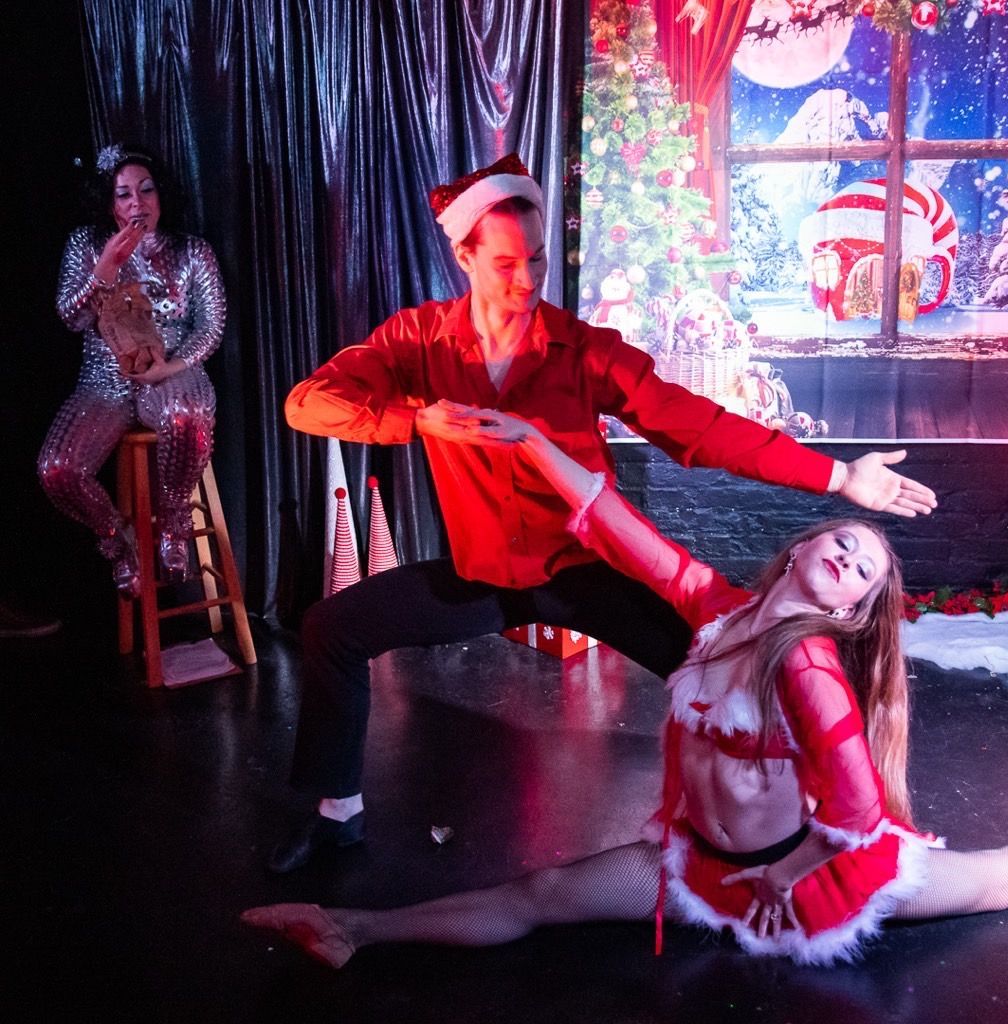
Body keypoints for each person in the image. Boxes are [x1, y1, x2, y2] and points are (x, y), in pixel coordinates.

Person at [243, 406, 1008, 966]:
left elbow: (852, 809)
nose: (852, 562)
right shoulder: (718, 611)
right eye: (845, 545)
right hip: (695, 864)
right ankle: (350, 930)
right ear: (807, 545)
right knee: (543, 892)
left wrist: (785, 870)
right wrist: (531, 441)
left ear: (851, 614)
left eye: (865, 575)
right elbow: (617, 531)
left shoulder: (808, 664)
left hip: (803, 878)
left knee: (993, 878)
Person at [269, 153, 937, 872]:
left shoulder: (583, 353)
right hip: (484, 573)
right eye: (504, 264)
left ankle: (835, 827)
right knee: (331, 628)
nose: (526, 281)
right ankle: (336, 816)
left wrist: (838, 475)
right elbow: (306, 404)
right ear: (463, 256)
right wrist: (416, 420)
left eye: (537, 259)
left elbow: (699, 427)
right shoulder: (419, 340)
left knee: (737, 666)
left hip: (587, 569)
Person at [38, 143, 224, 594]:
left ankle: (174, 522)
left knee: (188, 418)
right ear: (109, 202)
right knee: (57, 469)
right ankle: (118, 543)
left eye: (146, 190)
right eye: (123, 194)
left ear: (161, 195)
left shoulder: (192, 251)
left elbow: (212, 324)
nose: (136, 203)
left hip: (170, 372)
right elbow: (71, 317)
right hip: (104, 383)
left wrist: (171, 367)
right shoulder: (86, 243)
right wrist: (105, 268)